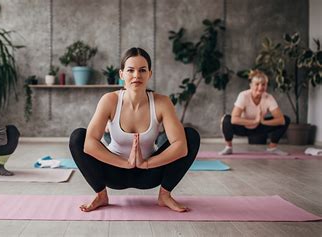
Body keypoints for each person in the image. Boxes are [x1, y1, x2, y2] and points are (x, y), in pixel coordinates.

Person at [69, 47, 200, 212]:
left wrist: (145, 163)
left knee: (191, 136)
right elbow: (88, 144)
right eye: (130, 70)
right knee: (78, 137)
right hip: (114, 173)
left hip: (149, 173)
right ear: (121, 74)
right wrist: (126, 163)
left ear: (150, 74)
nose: (137, 75)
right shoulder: (109, 100)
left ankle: (165, 195)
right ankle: (101, 195)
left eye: (142, 70)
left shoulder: (162, 102)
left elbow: (180, 147)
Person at [218, 69, 290, 155]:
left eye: (263, 84)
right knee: (226, 119)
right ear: (251, 85)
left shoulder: (268, 97)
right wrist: (254, 121)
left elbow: (281, 120)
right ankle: (228, 147)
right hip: (243, 127)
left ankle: (272, 148)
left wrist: (263, 121)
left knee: (286, 119)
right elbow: (234, 119)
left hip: (260, 126)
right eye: (257, 84)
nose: (260, 87)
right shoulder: (243, 95)